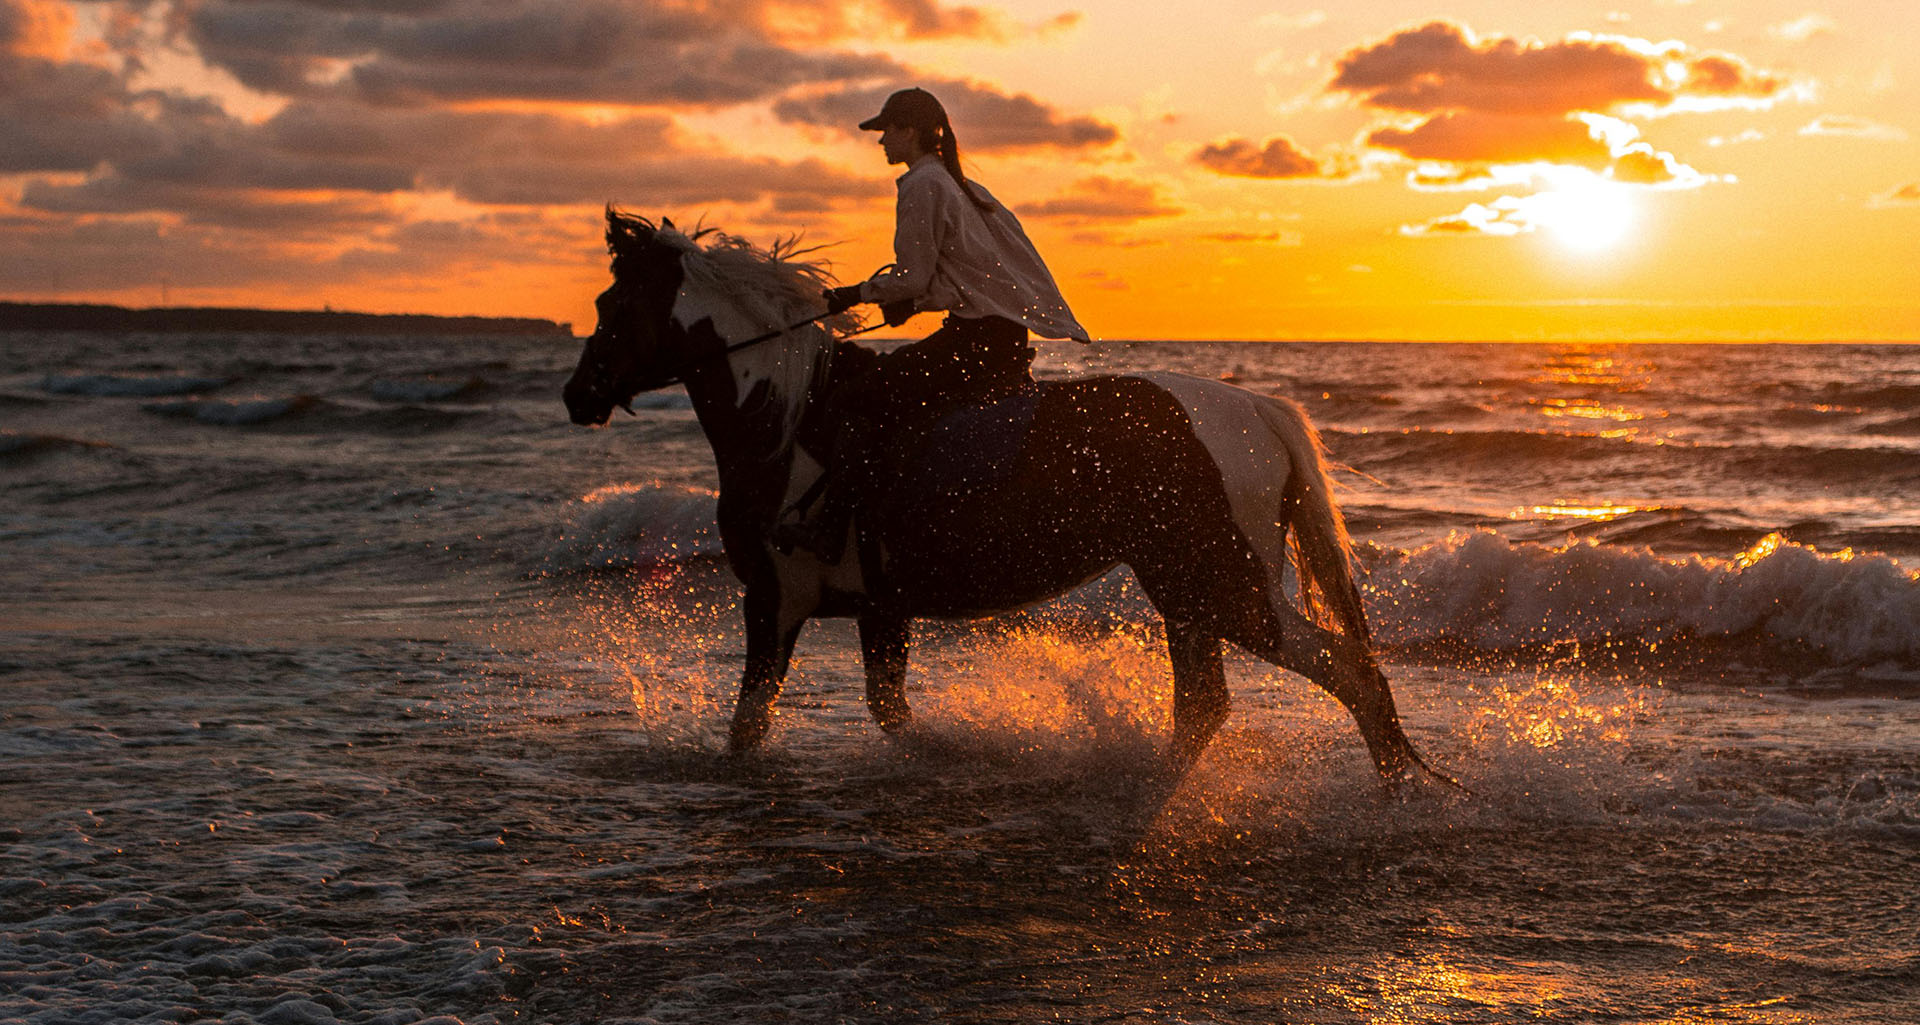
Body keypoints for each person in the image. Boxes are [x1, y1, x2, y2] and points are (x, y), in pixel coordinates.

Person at [774, 87, 1091, 561]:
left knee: (853, 398)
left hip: (974, 343)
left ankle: (831, 530)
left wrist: (856, 294)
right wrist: (918, 302)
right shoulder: (957, 183)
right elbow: (966, 275)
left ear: (909, 131)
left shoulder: (923, 184)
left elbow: (913, 276)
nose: (881, 141)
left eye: (886, 131)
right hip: (998, 338)